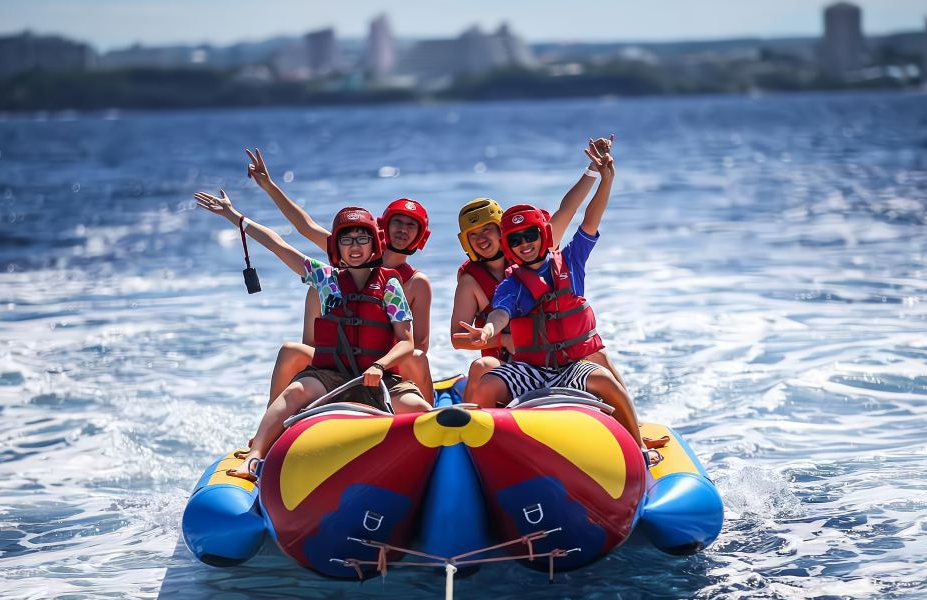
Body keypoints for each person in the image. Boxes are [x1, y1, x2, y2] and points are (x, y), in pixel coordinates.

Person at [194, 191, 431, 480]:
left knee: (421, 409)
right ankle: (255, 455)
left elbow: (407, 341)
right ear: (337, 247)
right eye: (346, 240)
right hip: (330, 377)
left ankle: (428, 470)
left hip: (378, 379)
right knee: (295, 391)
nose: (354, 247)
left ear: (374, 244)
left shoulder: (391, 286)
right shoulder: (324, 278)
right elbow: (278, 245)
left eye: (362, 239)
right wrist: (234, 216)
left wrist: (379, 366)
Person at [454, 143, 651, 455]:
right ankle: (480, 454)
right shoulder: (510, 284)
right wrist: (488, 332)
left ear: (542, 235)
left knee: (606, 380)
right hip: (529, 368)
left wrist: (605, 179)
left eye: (530, 236)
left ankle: (638, 447)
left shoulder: (570, 260)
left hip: (570, 366)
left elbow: (587, 217)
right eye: (515, 240)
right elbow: (500, 313)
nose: (524, 243)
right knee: (487, 384)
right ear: (509, 246)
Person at [243, 148, 435, 404]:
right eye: (398, 222)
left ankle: (430, 419)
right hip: (338, 360)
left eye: (411, 225)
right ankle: (278, 418)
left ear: (420, 236)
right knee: (293, 344)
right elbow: (304, 226)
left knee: (418, 358)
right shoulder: (352, 252)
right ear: (383, 227)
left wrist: (378, 364)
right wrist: (268, 186)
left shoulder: (416, 282)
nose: (403, 230)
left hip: (384, 368)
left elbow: (418, 345)